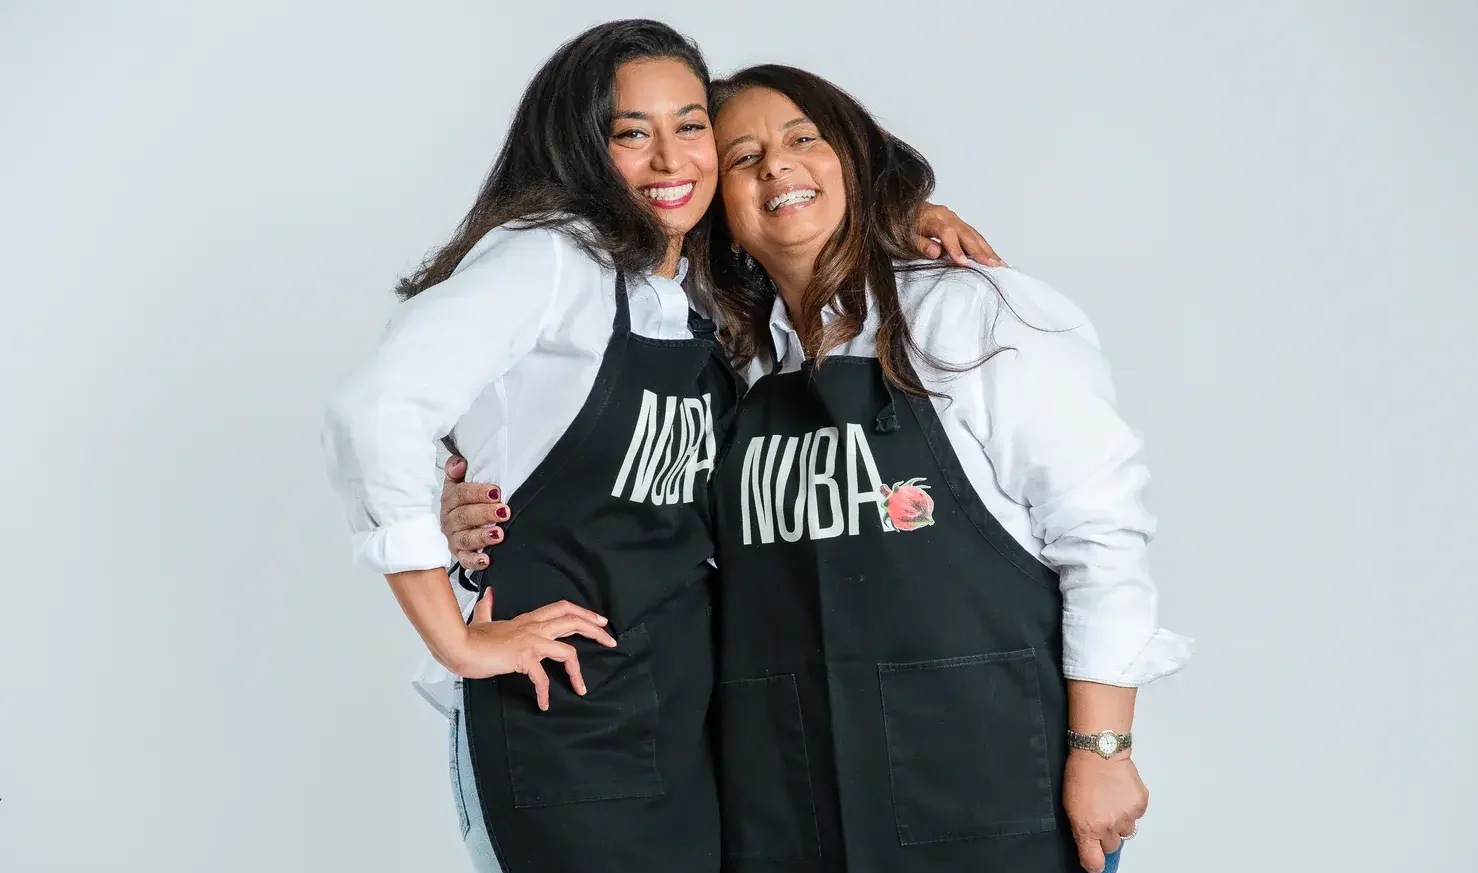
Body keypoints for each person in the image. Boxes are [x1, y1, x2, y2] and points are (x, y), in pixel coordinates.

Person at [441, 63, 1192, 873]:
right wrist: (474, 515)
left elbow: (1101, 534)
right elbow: (631, 509)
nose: (778, 166)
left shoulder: (972, 311)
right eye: (743, 156)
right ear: (713, 207)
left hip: (992, 787)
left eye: (805, 139)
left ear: (856, 162)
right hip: (789, 804)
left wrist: (1104, 747)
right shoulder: (729, 366)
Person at [322, 20, 999, 873]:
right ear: (581, 147)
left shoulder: (693, 294)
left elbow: (795, 227)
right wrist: (453, 638)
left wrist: (901, 214)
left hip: (687, 714)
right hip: (560, 721)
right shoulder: (552, 258)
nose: (671, 159)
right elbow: (374, 410)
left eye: (690, 127)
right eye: (631, 134)